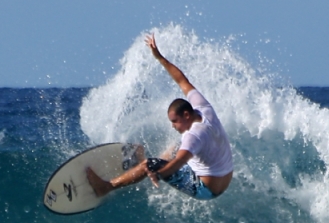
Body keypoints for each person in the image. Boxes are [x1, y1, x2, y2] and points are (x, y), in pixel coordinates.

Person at [86, 34, 233, 200]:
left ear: (186, 115)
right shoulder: (203, 108)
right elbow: (182, 80)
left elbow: (179, 162)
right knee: (175, 146)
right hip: (223, 177)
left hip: (204, 188)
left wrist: (157, 173)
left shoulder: (194, 135)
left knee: (152, 164)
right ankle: (143, 167)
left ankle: (106, 187)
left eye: (175, 121)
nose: (173, 126)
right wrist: (159, 57)